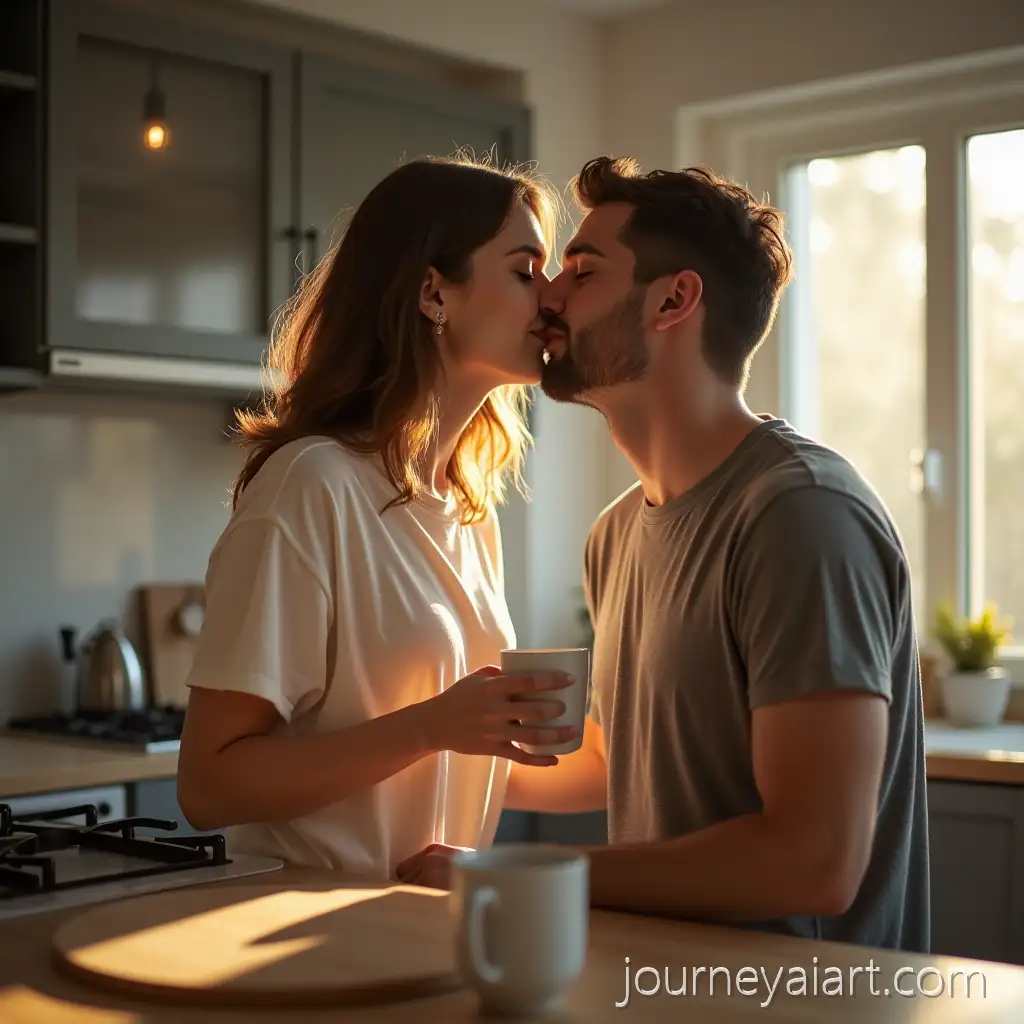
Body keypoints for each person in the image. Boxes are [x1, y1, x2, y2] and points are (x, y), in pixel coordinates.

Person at [398, 156, 931, 955]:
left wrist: (515, 873)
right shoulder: (616, 536)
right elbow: (618, 760)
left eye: (582, 271)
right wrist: (401, 748)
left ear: (674, 300)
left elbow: (814, 862)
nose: (548, 296)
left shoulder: (801, 515)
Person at [175, 154, 581, 880]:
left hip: (424, 924)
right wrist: (431, 725)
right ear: (434, 292)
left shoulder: (469, 510)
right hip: (304, 923)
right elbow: (209, 786)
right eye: (526, 270)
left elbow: (458, 766)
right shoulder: (312, 485)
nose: (551, 297)